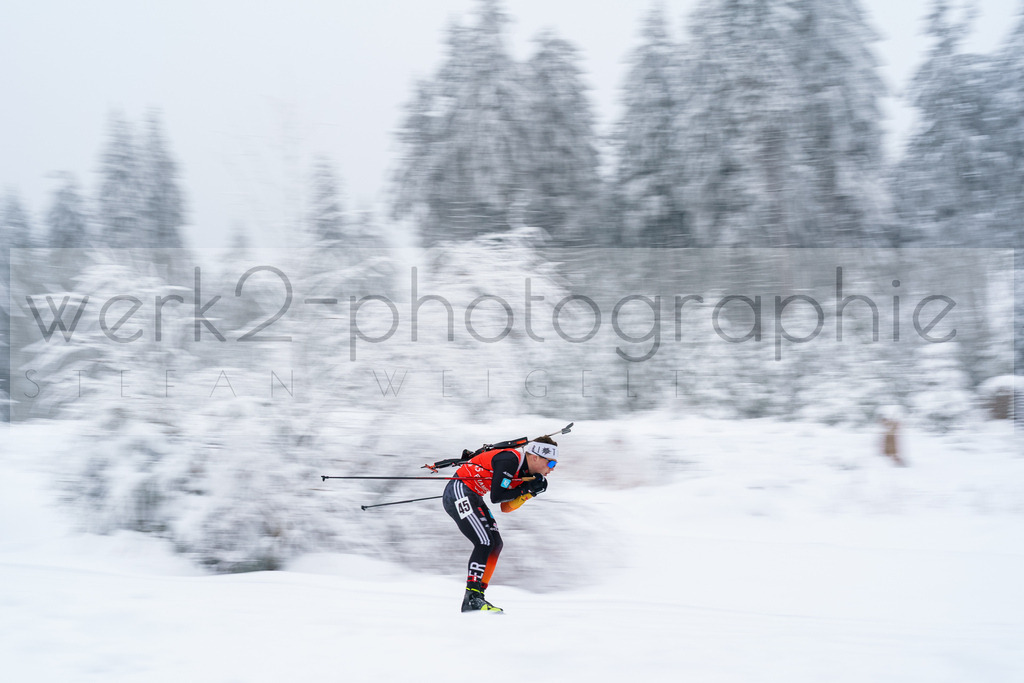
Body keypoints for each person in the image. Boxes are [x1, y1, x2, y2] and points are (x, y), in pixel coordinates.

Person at [441, 435, 558, 613]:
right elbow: (496, 497)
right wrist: (527, 488)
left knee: (496, 543)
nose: (553, 469)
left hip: (473, 496)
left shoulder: (524, 473)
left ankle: (478, 595)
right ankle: (471, 598)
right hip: (458, 491)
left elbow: (506, 507)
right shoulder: (511, 459)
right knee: (484, 541)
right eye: (550, 464)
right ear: (535, 457)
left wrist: (530, 494)